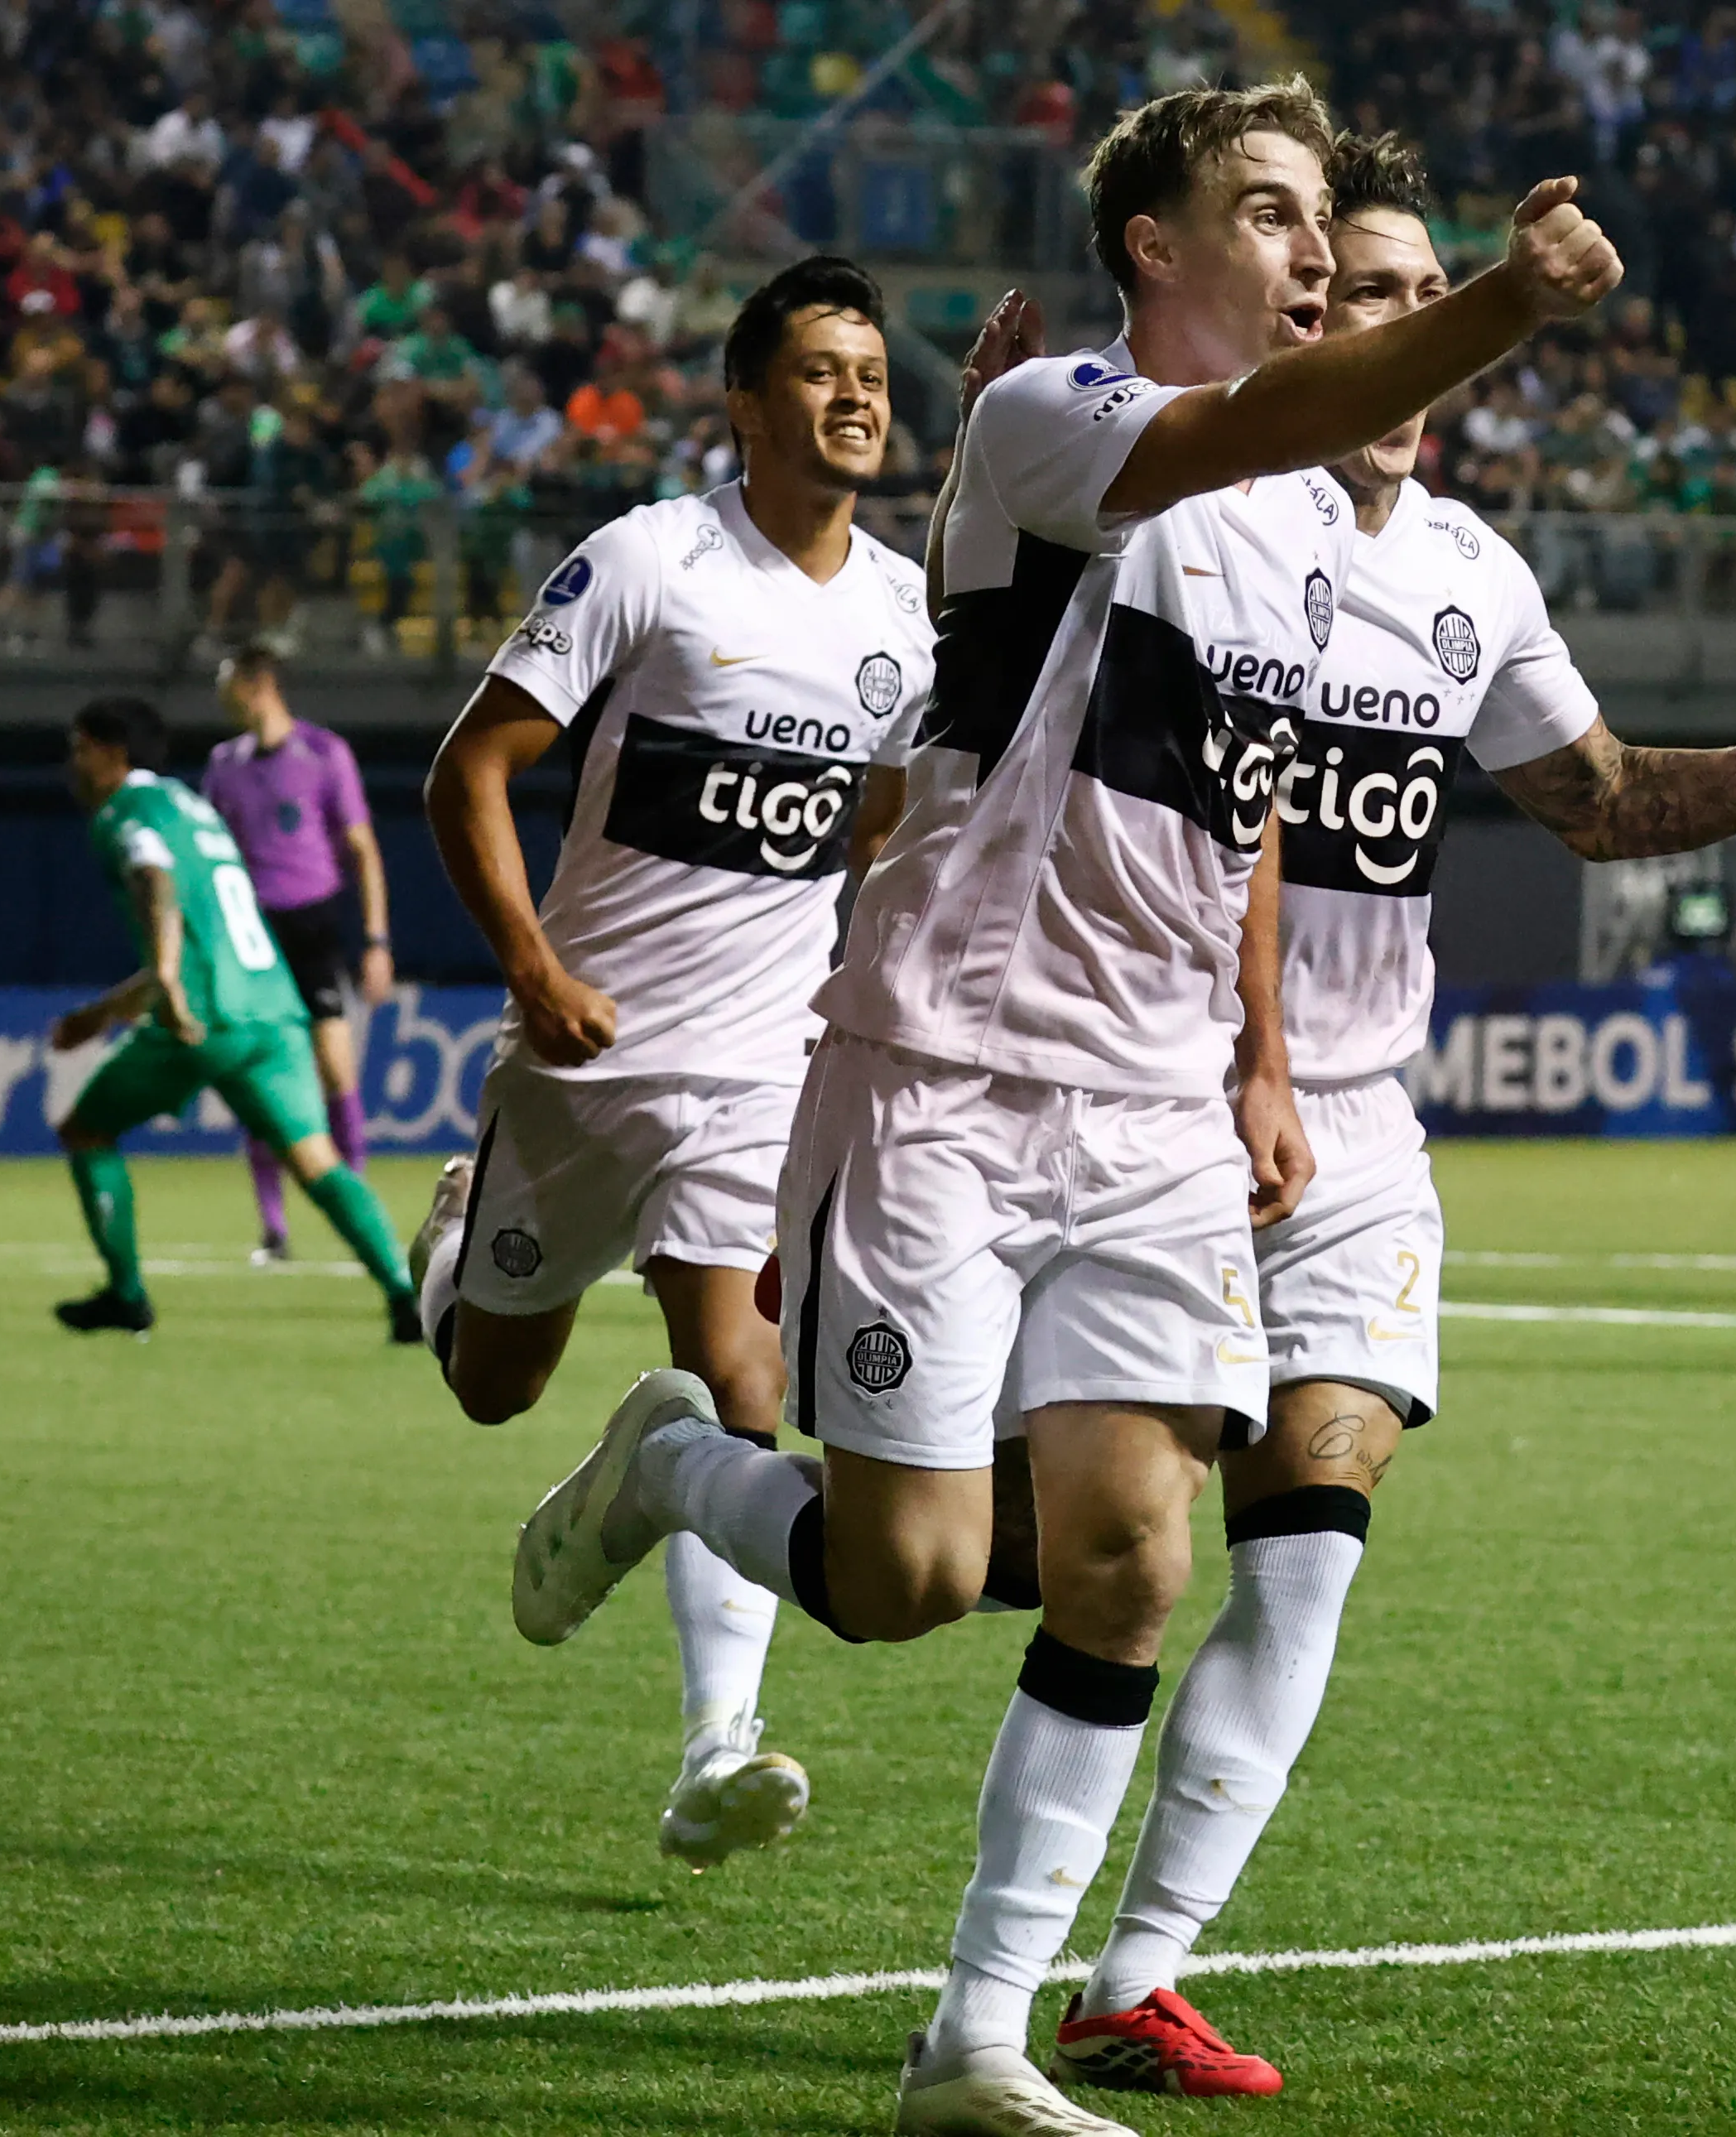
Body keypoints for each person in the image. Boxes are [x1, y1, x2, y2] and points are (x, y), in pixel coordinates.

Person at [499, 82, 1623, 2137]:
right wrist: (1499, 307)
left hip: (1156, 1112)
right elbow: (1229, 434)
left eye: (1318, 226)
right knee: (910, 1571)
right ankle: (675, 1462)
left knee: (1126, 1554)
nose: (1303, 252)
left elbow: (1252, 809)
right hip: (942, 1075)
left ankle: (977, 2036)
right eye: (1267, 216)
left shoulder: (1304, 539)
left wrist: (1259, 1051)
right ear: (1154, 247)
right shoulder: (1052, 422)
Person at [1047, 130, 1736, 2099]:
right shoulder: (1190, 511)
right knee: (1004, 1557)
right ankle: (707, 1493)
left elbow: (1606, 797)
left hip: (1358, 1126)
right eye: (1364, 290)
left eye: (1410, 289)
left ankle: (1135, 1970)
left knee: (1310, 1544)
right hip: (1136, 1097)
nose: (1392, 322)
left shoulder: (1465, 574)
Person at [413, 257, 938, 1873]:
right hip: (585, 1060)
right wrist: (535, 968)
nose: (856, 392)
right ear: (745, 400)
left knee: (744, 1388)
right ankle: (457, 1225)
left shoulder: (906, 617)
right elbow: (468, 770)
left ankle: (718, 1750)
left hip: (764, 1070)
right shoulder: (650, 563)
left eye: (871, 369)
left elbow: (889, 818)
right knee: (494, 1384)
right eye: (819, 369)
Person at [48, 695, 421, 1342]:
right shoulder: (197, 810)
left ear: (112, 752)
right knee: (318, 1161)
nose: (72, 765)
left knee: (86, 1131)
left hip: (204, 1016)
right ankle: (406, 1298)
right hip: (273, 1010)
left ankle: (127, 1296)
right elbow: (203, 927)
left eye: (79, 749)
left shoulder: (128, 811)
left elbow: (151, 873)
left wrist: (162, 974)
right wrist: (107, 1009)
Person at [200, 645, 395, 1263]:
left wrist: (376, 941)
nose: (220, 691)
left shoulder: (323, 753)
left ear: (258, 684)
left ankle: (355, 1210)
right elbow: (209, 858)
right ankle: (275, 1229)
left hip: (312, 926)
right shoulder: (222, 765)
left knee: (336, 1071)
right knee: (258, 1080)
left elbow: (362, 850)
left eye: (227, 680)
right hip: (252, 933)